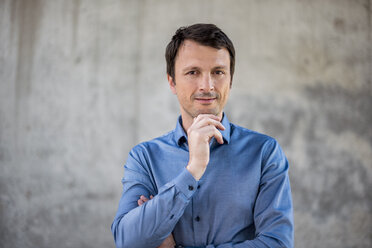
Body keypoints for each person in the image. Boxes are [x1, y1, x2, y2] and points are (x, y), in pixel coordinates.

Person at [111, 23, 294, 248]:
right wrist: (193, 170)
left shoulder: (264, 153)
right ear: (172, 82)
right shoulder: (144, 157)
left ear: (231, 80)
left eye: (218, 72)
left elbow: (277, 244)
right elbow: (127, 241)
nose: (207, 86)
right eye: (192, 72)